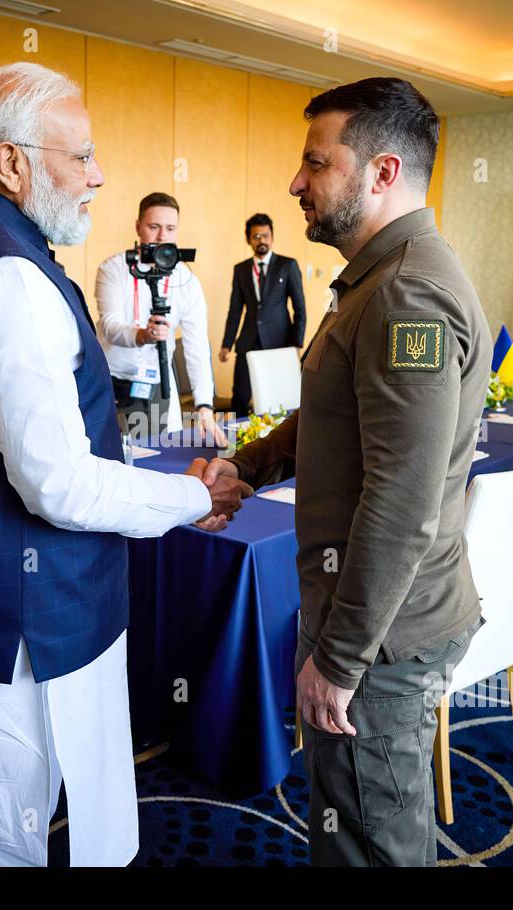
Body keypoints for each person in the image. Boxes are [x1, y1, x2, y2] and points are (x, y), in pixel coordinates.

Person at [0, 62, 250, 868]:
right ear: (11, 163)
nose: (99, 175)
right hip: (11, 632)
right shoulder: (8, 273)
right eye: (80, 156)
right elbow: (59, 482)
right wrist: (189, 495)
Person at [201, 76, 490, 867]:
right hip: (374, 621)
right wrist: (246, 468)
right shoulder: (376, 277)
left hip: (383, 641)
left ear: (382, 173)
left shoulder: (408, 296)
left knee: (372, 842)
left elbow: (404, 500)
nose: (296, 182)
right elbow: (335, 417)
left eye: (315, 163)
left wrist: (340, 658)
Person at [94, 192, 222, 441]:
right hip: (112, 378)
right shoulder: (113, 269)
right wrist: (142, 335)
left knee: (163, 450)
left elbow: (196, 347)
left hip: (159, 379)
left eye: (170, 228)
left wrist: (204, 405)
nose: (162, 236)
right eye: (154, 227)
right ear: (138, 227)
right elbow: (109, 326)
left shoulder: (186, 280)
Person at [220, 213, 306, 415]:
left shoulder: (288, 265)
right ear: (248, 239)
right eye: (256, 236)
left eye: (265, 235)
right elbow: (235, 310)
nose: (261, 240)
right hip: (248, 341)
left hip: (279, 342)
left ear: (272, 237)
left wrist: (296, 343)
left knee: (278, 398)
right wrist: (227, 343)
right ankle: (237, 444)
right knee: (240, 396)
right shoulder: (241, 270)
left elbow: (300, 308)